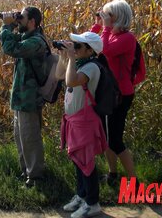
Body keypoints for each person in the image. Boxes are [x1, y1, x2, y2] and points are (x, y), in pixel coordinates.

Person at [90, 0, 143, 187]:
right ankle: (113, 174)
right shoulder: (110, 34)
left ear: (118, 17)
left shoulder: (127, 38)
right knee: (106, 137)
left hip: (121, 95)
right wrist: (97, 25)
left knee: (115, 139)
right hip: (108, 93)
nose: (105, 18)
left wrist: (104, 28)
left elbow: (105, 50)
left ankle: (134, 182)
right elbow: (88, 44)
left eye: (108, 15)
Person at [56, 32, 107, 218]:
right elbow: (59, 75)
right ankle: (82, 195)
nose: (75, 48)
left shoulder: (92, 67)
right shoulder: (81, 63)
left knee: (87, 162)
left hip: (85, 121)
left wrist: (70, 56)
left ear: (89, 50)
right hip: (75, 120)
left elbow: (71, 81)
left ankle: (93, 203)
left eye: (78, 46)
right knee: (78, 161)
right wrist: (64, 57)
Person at [0, 6, 48, 188]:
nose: (18, 20)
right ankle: (26, 172)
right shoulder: (26, 37)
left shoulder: (36, 42)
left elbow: (11, 48)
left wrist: (6, 26)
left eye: (22, 17)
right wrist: (11, 25)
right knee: (21, 138)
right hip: (21, 99)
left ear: (32, 22)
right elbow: (12, 42)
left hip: (30, 99)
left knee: (30, 138)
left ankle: (36, 178)